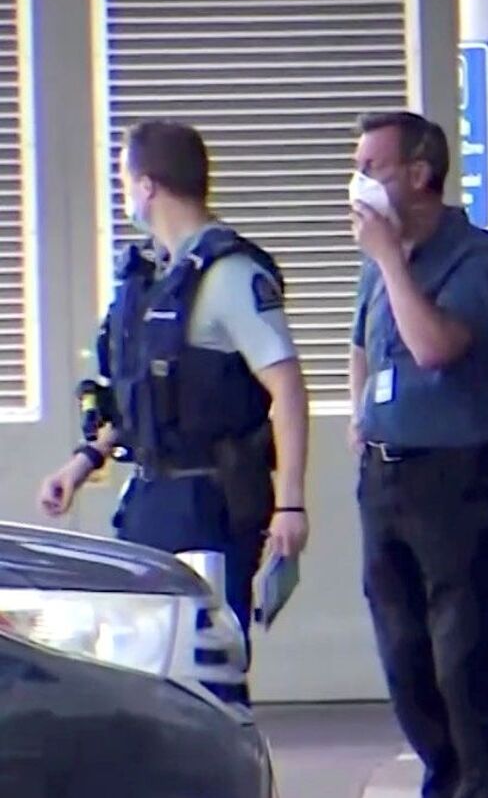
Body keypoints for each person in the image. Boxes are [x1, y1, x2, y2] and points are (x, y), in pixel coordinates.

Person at [36, 120, 311, 689]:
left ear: (148, 186)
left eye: (125, 181)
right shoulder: (152, 278)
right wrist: (84, 461)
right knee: (139, 667)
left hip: (209, 499)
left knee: (202, 669)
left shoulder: (231, 275)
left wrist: (290, 506)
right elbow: (142, 399)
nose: (125, 195)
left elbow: (287, 387)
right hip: (151, 498)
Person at [347, 111, 488, 798]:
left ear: (419, 174)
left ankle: (480, 786)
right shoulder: (375, 266)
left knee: (466, 659)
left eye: (371, 166)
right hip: (385, 476)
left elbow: (435, 346)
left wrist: (391, 258)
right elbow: (363, 342)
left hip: (458, 481)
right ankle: (443, 779)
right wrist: (361, 412)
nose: (358, 181)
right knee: (406, 657)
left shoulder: (482, 259)